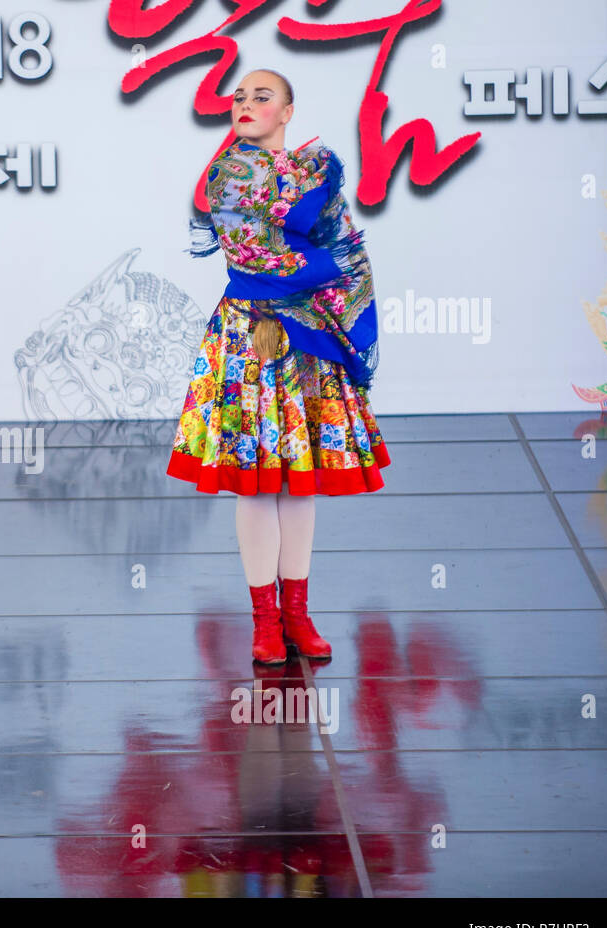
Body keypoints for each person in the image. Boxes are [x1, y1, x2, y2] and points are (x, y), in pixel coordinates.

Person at [167, 69, 392, 666]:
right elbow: (258, 255)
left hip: (309, 338)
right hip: (251, 335)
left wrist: (323, 268)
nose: (245, 104)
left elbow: (345, 249)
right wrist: (319, 264)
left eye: (261, 97)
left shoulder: (317, 173)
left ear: (287, 112)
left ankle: (299, 613)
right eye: (239, 97)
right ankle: (264, 621)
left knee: (300, 479)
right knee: (256, 480)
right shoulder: (227, 175)